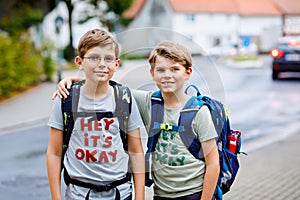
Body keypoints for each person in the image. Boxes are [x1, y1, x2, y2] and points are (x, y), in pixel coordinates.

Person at [54, 41, 220, 200]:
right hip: (161, 194)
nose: (167, 76)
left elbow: (213, 163)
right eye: (161, 70)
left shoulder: (199, 112)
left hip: (194, 193)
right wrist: (74, 81)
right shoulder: (148, 102)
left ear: (187, 73)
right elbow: (108, 86)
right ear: (152, 73)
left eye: (175, 69)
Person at [47, 28, 145, 200]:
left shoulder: (124, 99)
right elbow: (54, 153)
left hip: (120, 194)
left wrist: (140, 197)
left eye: (108, 58)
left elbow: (136, 151)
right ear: (79, 62)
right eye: (93, 58)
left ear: (117, 63)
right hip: (79, 194)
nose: (101, 64)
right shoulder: (65, 100)